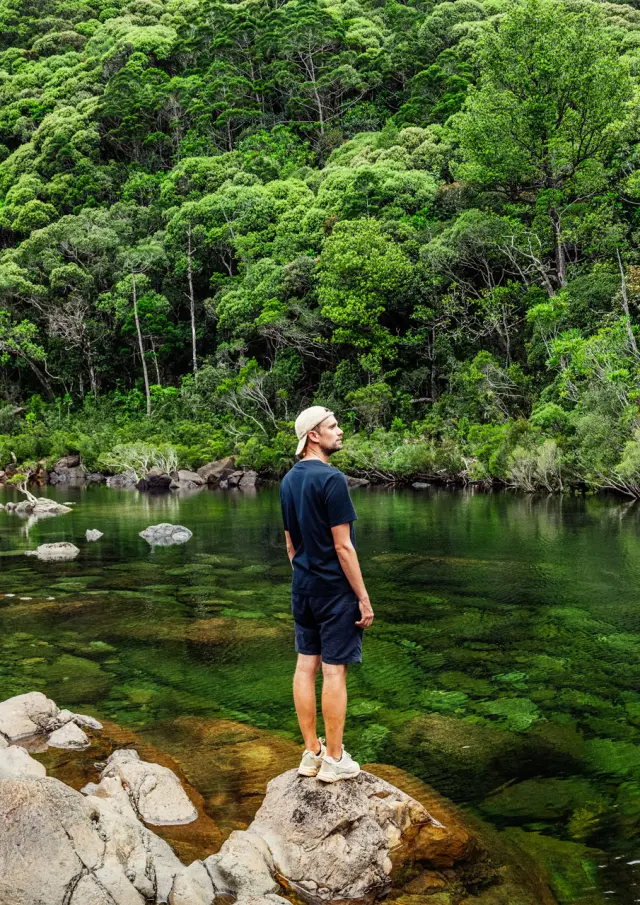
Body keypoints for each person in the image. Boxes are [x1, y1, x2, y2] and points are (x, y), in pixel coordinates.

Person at [280, 405, 374, 783]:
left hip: (303, 589)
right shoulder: (332, 479)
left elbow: (291, 545)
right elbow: (343, 546)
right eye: (333, 426)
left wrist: (306, 578)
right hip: (335, 592)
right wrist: (363, 598)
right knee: (334, 672)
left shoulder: (288, 481)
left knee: (306, 667)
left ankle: (311, 753)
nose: (340, 431)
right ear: (313, 436)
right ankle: (334, 759)